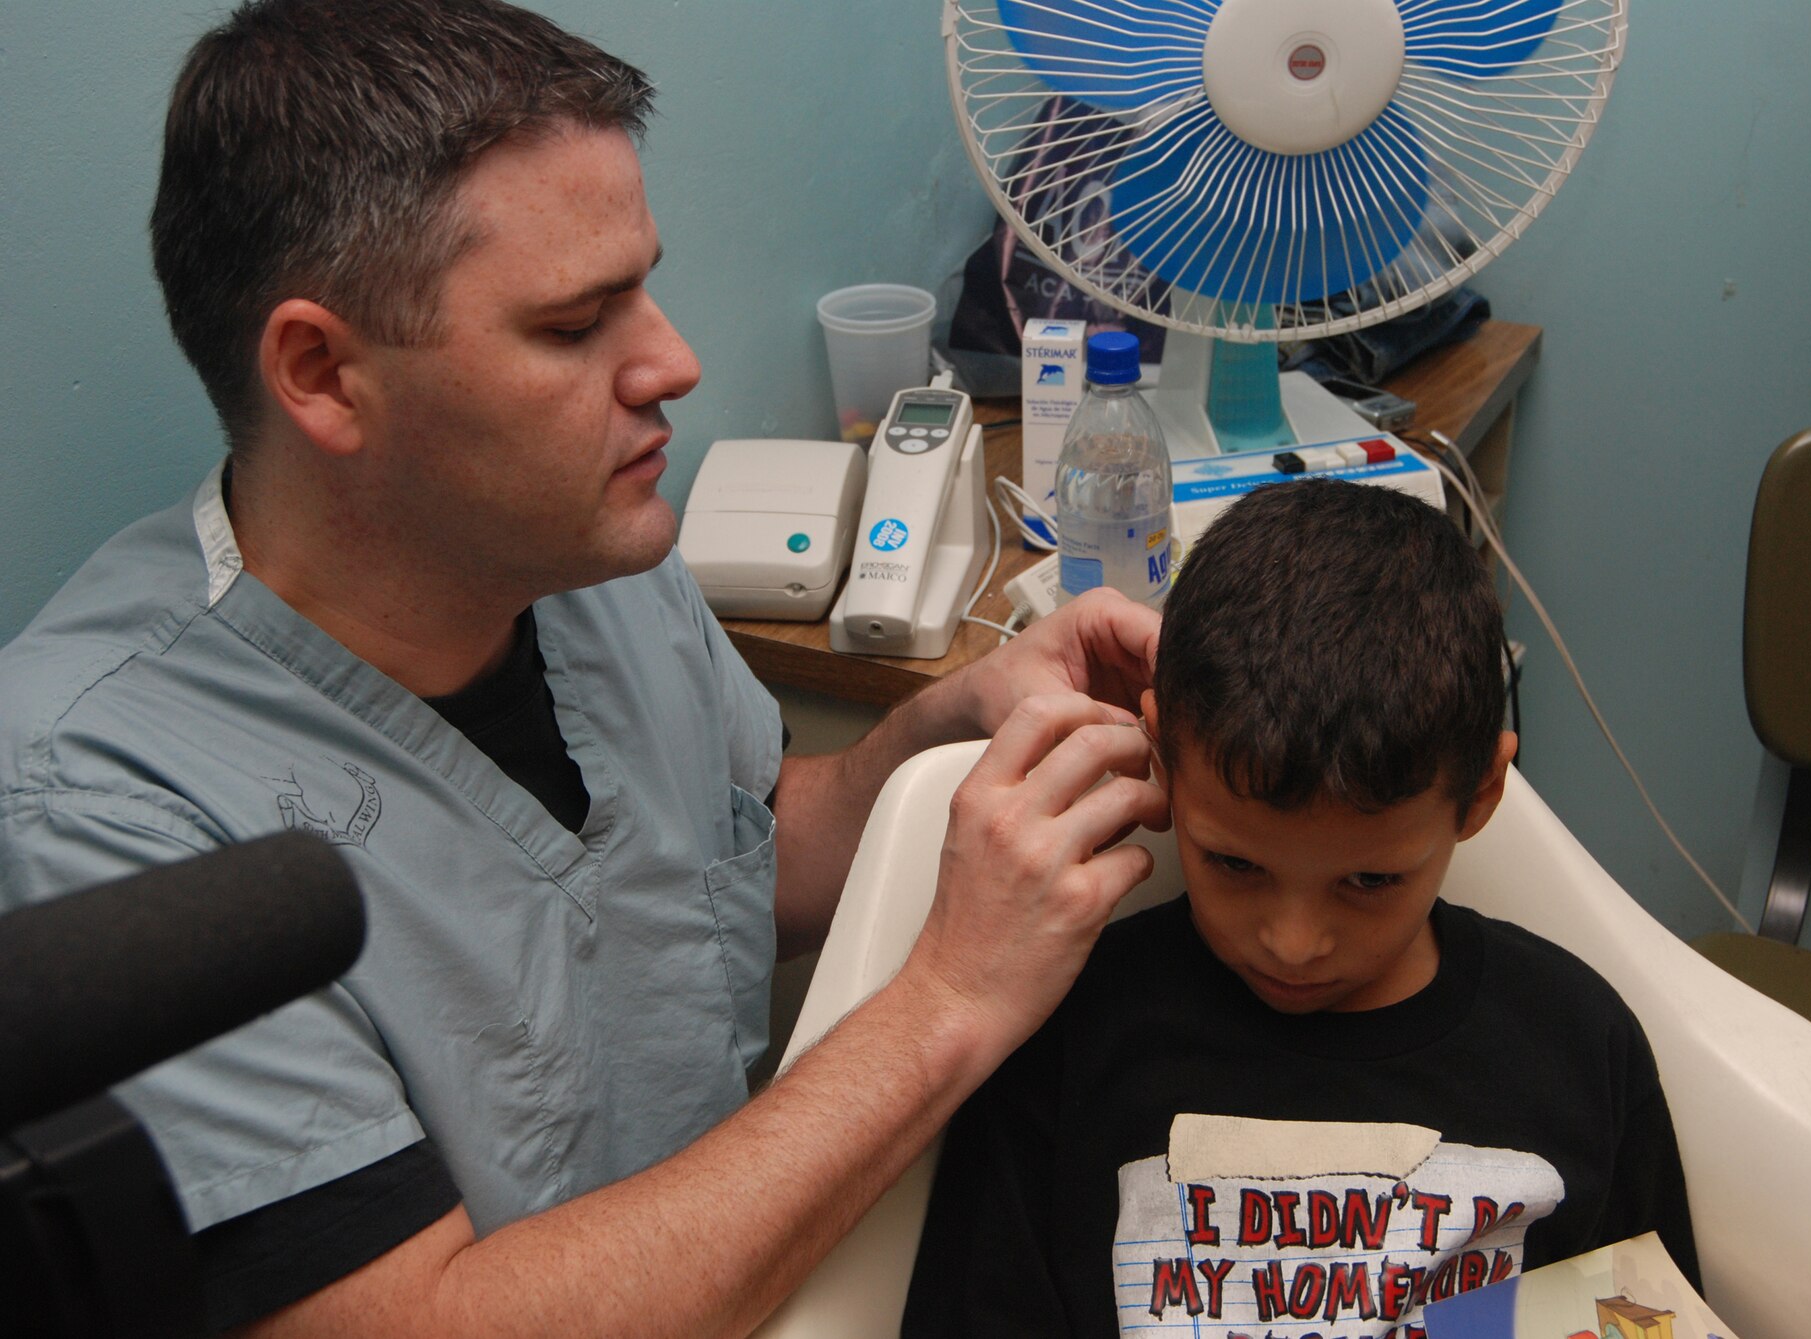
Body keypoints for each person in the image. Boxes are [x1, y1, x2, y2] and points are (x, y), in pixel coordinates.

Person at [0, 2, 1169, 1335]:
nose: (671, 363)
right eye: (575, 325)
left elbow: (709, 867)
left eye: (645, 287)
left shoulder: (581, 548)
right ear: (323, 372)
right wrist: (949, 1002)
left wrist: (938, 730)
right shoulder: (104, 807)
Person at [901, 479, 1700, 1339]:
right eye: (1234, 862)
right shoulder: (1065, 1032)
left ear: (1482, 794)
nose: (1292, 942)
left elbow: (1645, 1315)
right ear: (1163, 754)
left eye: (1368, 882)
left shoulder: (1576, 1043)